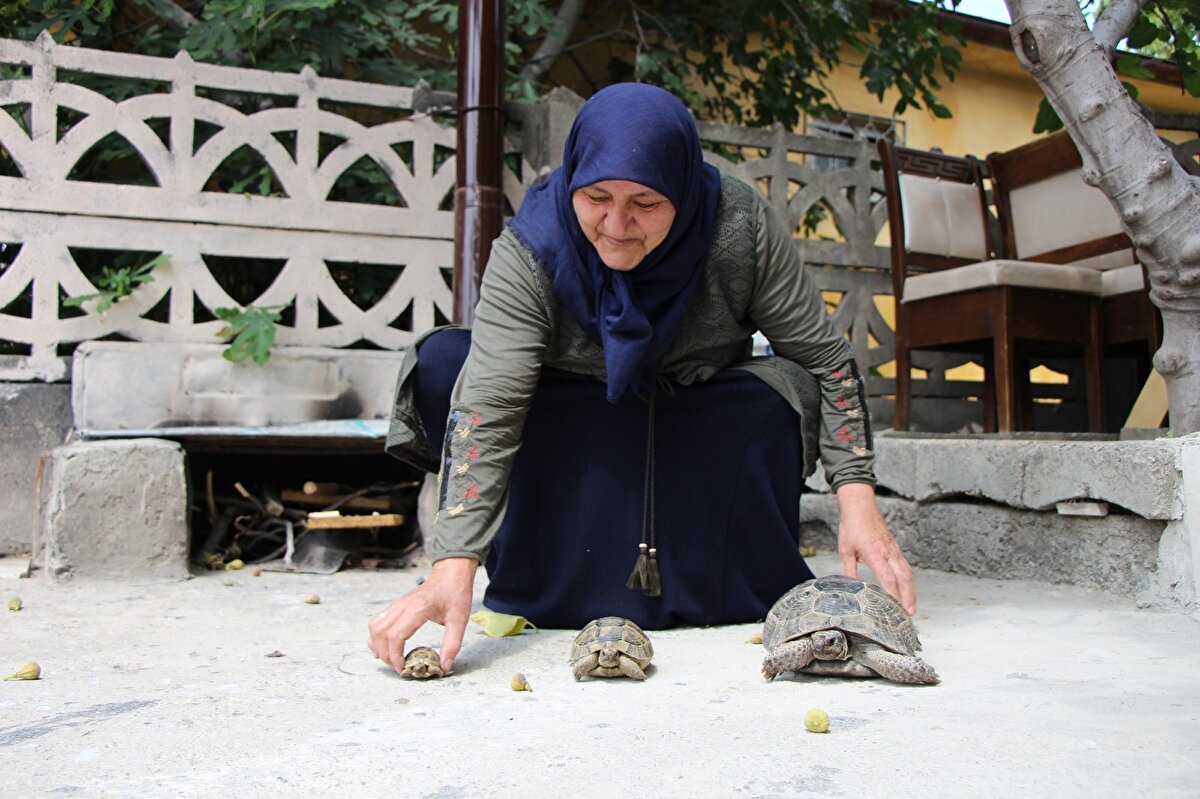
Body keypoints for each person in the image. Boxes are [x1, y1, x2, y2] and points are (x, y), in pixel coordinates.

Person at [368, 83, 915, 675]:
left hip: (687, 408)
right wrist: (453, 562)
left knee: (782, 389)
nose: (617, 225)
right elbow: (493, 402)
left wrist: (858, 499)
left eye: (646, 203)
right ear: (574, 180)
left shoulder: (738, 227)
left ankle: (713, 575)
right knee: (448, 363)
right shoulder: (534, 246)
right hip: (568, 416)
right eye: (596, 196)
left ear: (681, 186)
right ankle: (535, 569)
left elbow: (824, 359)